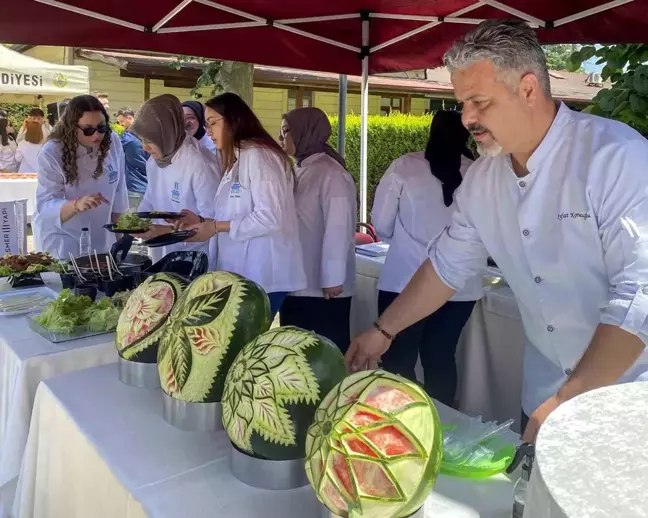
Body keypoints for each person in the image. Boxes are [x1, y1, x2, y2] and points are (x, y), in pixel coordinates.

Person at [346, 20, 648, 443]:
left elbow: (639, 296)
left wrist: (570, 400)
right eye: (462, 103)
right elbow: (447, 267)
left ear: (528, 89)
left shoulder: (614, 156)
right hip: (544, 391)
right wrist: (383, 330)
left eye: (479, 103)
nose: (466, 118)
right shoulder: (484, 179)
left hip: (627, 397)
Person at [370, 110, 482, 406]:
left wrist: (406, 240)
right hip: (461, 286)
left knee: (398, 360)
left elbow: (381, 225)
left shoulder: (405, 167)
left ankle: (403, 424)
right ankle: (444, 427)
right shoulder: (478, 171)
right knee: (441, 357)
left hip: (404, 280)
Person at [180, 92, 306, 318]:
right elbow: (238, 212)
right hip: (246, 274)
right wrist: (204, 223)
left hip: (265, 274)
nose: (207, 131)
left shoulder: (260, 156)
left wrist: (216, 227)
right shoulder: (239, 156)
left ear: (233, 121)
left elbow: (270, 217)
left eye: (212, 123)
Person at [278, 107, 357, 352]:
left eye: (285, 132)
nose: (281, 138)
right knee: (293, 357)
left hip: (324, 290)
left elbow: (339, 228)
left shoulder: (331, 173)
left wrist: (332, 279)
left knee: (326, 356)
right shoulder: (301, 168)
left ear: (304, 132)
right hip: (296, 281)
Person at [32, 94, 128, 258]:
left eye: (101, 127)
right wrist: (76, 204)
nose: (96, 135)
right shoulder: (52, 152)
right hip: (64, 238)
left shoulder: (112, 141)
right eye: (88, 130)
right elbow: (46, 204)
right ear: (72, 127)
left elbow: (119, 189)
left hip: (102, 233)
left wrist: (121, 236)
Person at [130, 94, 220, 266]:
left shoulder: (199, 164)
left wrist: (161, 231)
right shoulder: (155, 161)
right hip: (161, 251)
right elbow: (150, 198)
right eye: (142, 140)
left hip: (195, 258)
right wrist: (134, 223)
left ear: (167, 135)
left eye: (149, 141)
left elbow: (211, 222)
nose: (144, 147)